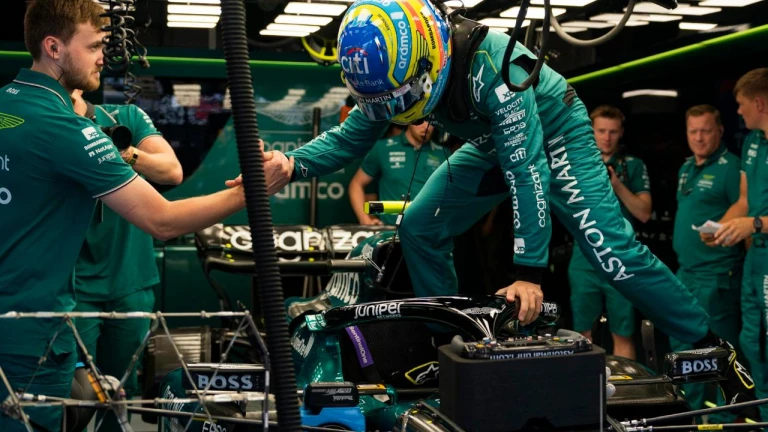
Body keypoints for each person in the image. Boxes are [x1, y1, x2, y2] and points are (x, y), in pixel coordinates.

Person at [257, 0, 755, 406]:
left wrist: (529, 274)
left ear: (430, 57)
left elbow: (527, 170)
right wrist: (291, 163)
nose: (399, 109)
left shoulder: (493, 68)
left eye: (404, 96)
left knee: (611, 253)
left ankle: (711, 346)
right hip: (491, 144)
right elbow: (351, 136)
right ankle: (443, 346)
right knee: (418, 226)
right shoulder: (393, 69)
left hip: (555, 137)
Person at [0, 1, 288, 429]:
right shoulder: (64, 128)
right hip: (31, 335)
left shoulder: (9, 104)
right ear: (53, 47)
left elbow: (170, 171)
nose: (103, 57)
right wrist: (251, 192)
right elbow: (162, 220)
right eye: (93, 46)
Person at [70, 89, 183, 431]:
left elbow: (171, 171)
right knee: (72, 395)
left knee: (121, 394)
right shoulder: (50, 122)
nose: (100, 62)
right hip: (71, 286)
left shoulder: (124, 117)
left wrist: (123, 151)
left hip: (130, 281)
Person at [671, 104, 743, 423]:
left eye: (706, 130)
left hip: (716, 275)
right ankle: (689, 418)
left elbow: (747, 208)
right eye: (693, 131)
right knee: (684, 349)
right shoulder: (686, 167)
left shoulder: (732, 168)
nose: (699, 137)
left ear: (720, 131)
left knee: (718, 354)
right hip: (685, 273)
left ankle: (724, 422)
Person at [568, 106, 650, 360]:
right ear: (591, 130)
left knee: (622, 333)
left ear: (621, 132)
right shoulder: (575, 160)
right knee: (582, 335)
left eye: (613, 132)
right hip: (584, 258)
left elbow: (644, 213)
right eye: (601, 130)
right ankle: (586, 384)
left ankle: (625, 386)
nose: (606, 137)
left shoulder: (633, 165)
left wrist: (617, 185)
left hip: (621, 259)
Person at [709, 68, 768, 421]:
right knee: (751, 342)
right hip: (755, 261)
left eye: (742, 104)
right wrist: (723, 227)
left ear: (759, 103)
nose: (739, 111)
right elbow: (745, 201)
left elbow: (753, 219)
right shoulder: (751, 142)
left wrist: (755, 224)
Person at [348, 122, 446, 225]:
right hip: (391, 230)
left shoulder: (444, 154)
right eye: (421, 122)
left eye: (431, 123)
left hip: (431, 229)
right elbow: (356, 184)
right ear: (411, 120)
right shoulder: (383, 148)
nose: (426, 127)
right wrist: (364, 219)